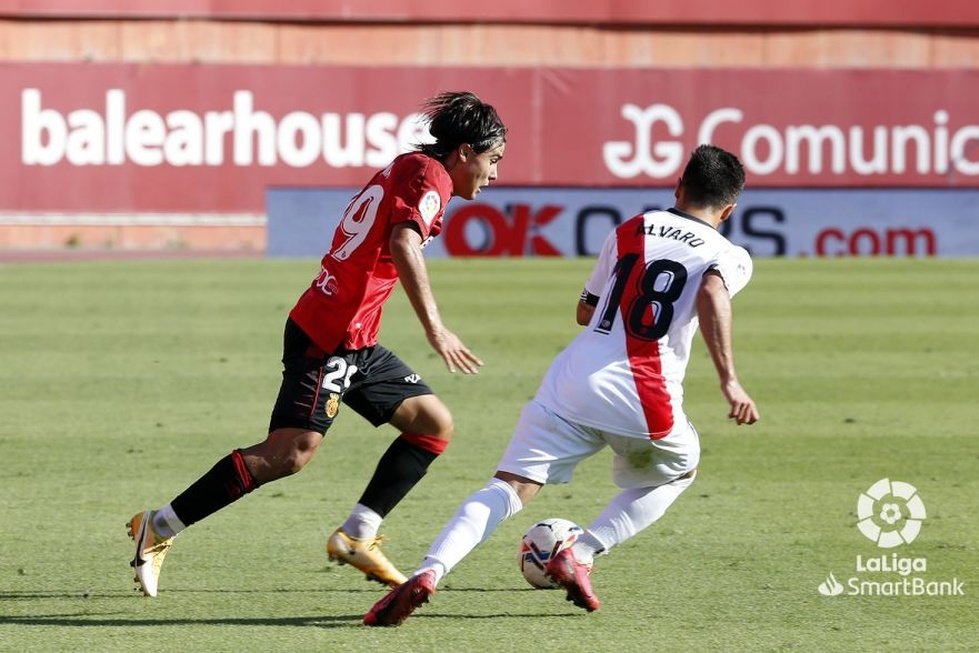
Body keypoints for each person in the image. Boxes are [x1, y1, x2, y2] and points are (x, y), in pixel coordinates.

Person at [127, 91, 507, 597]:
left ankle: (357, 535)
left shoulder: (413, 166)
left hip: (356, 337)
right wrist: (436, 328)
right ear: (463, 152)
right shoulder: (430, 176)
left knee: (432, 425)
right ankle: (159, 526)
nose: (495, 173)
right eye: (493, 159)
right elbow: (402, 241)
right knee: (291, 453)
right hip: (331, 336)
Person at [363, 144, 759, 626]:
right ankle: (584, 550)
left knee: (506, 486)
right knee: (679, 470)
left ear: (678, 188)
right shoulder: (727, 253)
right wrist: (730, 381)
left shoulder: (631, 229)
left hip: (571, 381)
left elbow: (585, 310)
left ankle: (427, 572)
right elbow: (714, 291)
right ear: (730, 208)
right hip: (643, 394)